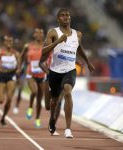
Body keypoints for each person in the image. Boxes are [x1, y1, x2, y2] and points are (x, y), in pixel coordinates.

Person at [41, 8, 95, 138]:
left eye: (67, 15)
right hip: (54, 71)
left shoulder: (78, 34)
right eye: (62, 15)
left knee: (67, 91)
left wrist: (87, 61)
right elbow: (43, 52)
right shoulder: (53, 32)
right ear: (58, 19)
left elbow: (79, 47)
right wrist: (58, 42)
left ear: (70, 18)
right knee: (54, 102)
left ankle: (68, 129)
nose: (65, 17)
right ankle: (52, 120)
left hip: (70, 70)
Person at [0, 35, 21, 125]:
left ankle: (3, 117)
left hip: (11, 76)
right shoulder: (0, 53)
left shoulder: (16, 54)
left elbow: (19, 66)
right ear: (4, 42)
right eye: (7, 41)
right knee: (1, 100)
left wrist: (18, 70)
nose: (8, 43)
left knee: (10, 98)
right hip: (2, 75)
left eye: (10, 41)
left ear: (12, 43)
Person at [23, 28, 45, 128]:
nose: (39, 34)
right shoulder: (28, 46)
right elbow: (21, 56)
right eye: (37, 32)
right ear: (34, 35)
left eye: (41, 33)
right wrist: (20, 67)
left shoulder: (46, 46)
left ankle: (37, 119)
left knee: (40, 99)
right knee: (34, 91)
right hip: (30, 73)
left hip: (41, 74)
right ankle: (30, 108)